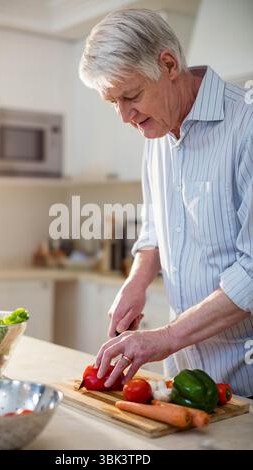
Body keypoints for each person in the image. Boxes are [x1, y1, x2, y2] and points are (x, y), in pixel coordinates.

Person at [79, 9, 253, 397]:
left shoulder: (247, 125)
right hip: (187, 373)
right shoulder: (156, 133)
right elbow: (157, 220)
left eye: (131, 96)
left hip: (246, 376)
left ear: (169, 64)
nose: (124, 116)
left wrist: (166, 337)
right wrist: (137, 280)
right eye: (113, 102)